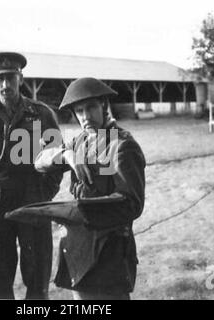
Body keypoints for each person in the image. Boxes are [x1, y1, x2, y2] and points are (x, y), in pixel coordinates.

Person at [34, 77, 146, 300]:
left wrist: (81, 211)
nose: (85, 116)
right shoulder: (79, 144)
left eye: (91, 107)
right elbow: (39, 162)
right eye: (79, 110)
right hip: (80, 249)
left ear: (104, 106)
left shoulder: (122, 145)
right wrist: (66, 155)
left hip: (109, 250)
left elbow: (132, 204)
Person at [0, 52, 62, 299]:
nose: (5, 85)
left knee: (38, 277)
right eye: (0, 78)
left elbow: (57, 158)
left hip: (33, 200)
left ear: (20, 78)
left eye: (11, 77)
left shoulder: (42, 114)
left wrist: (44, 192)